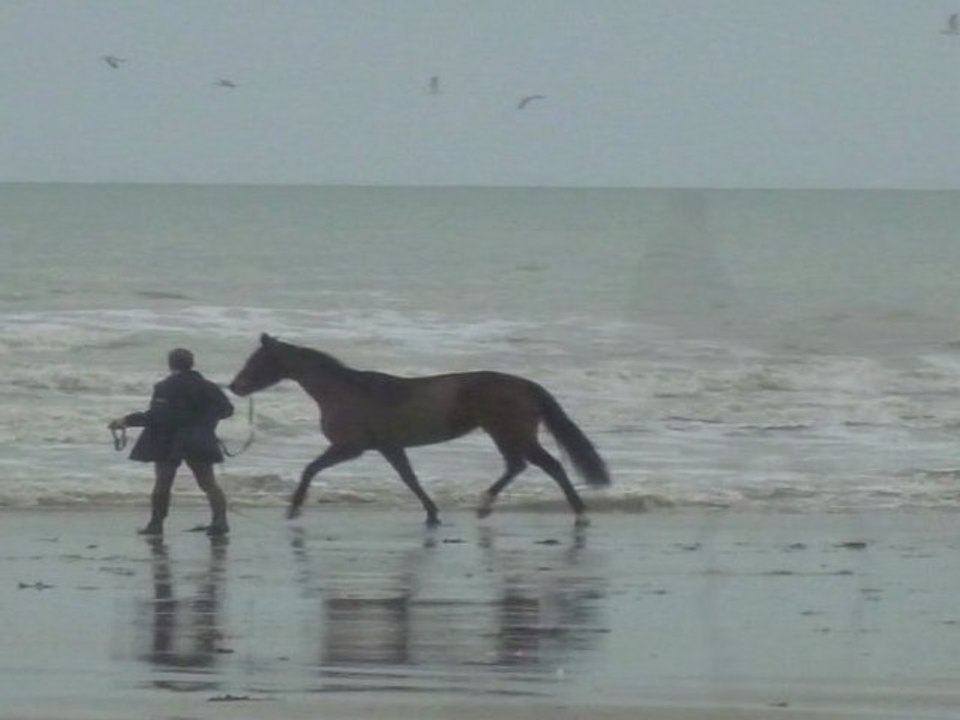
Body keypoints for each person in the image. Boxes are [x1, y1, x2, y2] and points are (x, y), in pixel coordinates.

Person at [109, 348, 234, 536]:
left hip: (168, 440)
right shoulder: (208, 386)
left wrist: (126, 421)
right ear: (191, 363)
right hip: (198, 439)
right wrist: (205, 424)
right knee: (208, 483)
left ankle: (156, 524)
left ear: (170, 364)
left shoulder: (164, 387)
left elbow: (155, 416)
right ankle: (220, 521)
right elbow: (227, 410)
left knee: (163, 482)